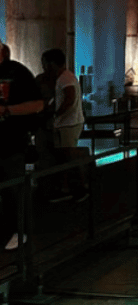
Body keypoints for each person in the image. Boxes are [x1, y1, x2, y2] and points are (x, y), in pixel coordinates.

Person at [0, 43, 44, 250]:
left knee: (14, 189)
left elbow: (38, 104)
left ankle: (19, 231)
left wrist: (7, 110)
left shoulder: (17, 72)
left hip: (11, 143)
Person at [42, 49, 88, 203]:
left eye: (45, 63)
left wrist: (56, 114)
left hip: (68, 124)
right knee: (66, 157)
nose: (44, 67)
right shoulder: (66, 76)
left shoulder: (64, 78)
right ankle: (66, 188)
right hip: (69, 123)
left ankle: (79, 188)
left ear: (52, 63)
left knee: (68, 157)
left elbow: (69, 98)